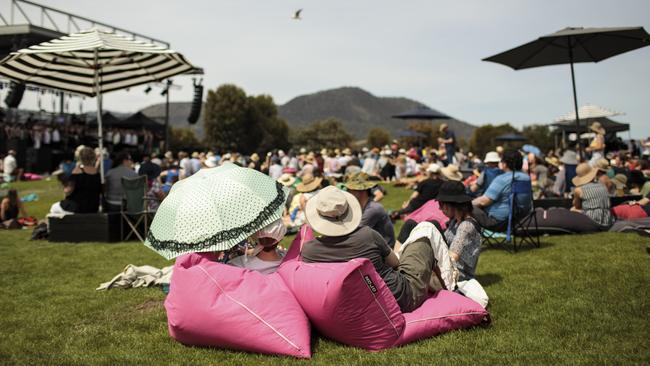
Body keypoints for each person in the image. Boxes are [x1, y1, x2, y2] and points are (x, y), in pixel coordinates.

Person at [300, 186, 438, 313]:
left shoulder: (308, 251)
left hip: (356, 309)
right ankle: (451, 288)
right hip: (400, 299)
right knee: (428, 230)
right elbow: (395, 263)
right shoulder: (367, 235)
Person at [472, 149, 531, 230]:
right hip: (520, 219)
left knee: (465, 207)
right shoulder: (526, 178)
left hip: (499, 221)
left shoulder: (502, 179)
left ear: (504, 164)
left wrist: (468, 203)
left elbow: (483, 201)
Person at [437, 181, 481, 282]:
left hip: (458, 275)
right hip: (447, 268)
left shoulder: (466, 226)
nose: (440, 208)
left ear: (451, 204)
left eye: (441, 204)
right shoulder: (455, 222)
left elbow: (453, 257)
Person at [344, 172, 395, 248]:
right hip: (371, 245)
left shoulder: (373, 209)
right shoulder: (362, 206)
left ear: (361, 191)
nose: (348, 192)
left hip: (382, 252)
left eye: (350, 189)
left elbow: (353, 233)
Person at [50, 147, 102, 215]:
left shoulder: (78, 171)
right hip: (92, 208)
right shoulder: (97, 173)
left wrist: (63, 182)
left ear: (80, 158)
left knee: (53, 207)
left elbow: (68, 191)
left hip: (77, 208)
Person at [571, 162, 613, 228]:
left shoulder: (578, 190)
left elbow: (577, 206)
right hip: (608, 220)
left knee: (573, 209)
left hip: (592, 221)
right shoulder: (602, 185)